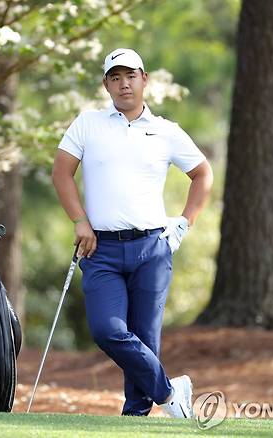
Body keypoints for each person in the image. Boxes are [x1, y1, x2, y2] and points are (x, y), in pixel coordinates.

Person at [52, 48, 213, 418]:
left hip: (152, 248)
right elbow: (61, 173)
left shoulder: (166, 131)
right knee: (108, 331)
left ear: (145, 80)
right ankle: (171, 393)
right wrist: (79, 219)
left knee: (145, 338)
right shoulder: (88, 123)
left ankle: (135, 418)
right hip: (101, 249)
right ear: (106, 84)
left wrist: (184, 224)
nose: (124, 83)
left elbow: (203, 175)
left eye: (131, 76)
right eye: (115, 77)